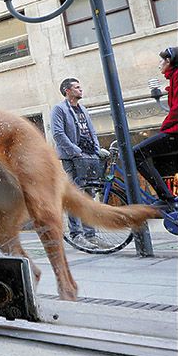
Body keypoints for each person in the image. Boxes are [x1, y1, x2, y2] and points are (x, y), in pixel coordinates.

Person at [51, 78, 113, 250]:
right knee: (75, 195)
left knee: (88, 195)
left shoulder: (83, 109)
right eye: (77, 87)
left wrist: (97, 149)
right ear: (67, 90)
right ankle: (77, 235)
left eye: (80, 86)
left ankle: (91, 235)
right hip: (71, 158)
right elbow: (57, 134)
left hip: (88, 157)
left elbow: (91, 131)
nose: (80, 90)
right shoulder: (59, 109)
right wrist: (74, 150)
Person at [133, 46, 178, 205]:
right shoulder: (174, 77)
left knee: (136, 153)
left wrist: (165, 127)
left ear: (169, 61)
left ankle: (167, 198)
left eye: (161, 60)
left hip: (176, 131)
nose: (159, 64)